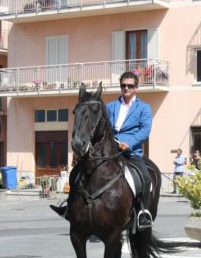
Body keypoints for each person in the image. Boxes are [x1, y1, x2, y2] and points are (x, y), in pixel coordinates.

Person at [51, 71, 154, 228]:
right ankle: (70, 207)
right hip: (108, 150)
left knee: (145, 178)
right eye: (123, 85)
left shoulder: (144, 108)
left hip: (130, 151)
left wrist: (129, 142)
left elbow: (145, 130)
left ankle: (143, 212)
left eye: (130, 86)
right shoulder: (111, 106)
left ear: (136, 88)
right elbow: (100, 126)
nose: (126, 88)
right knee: (77, 172)